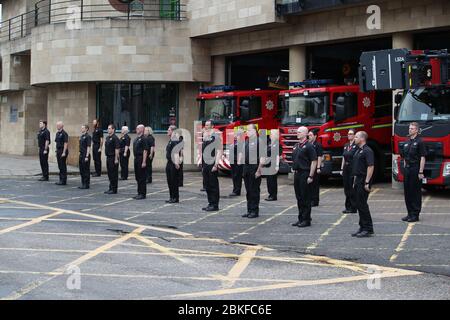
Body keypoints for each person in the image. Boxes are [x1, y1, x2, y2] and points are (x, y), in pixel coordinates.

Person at [291, 126, 317, 228]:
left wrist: (311, 175)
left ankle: (306, 220)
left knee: (306, 197)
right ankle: (301, 218)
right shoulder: (296, 145)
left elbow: (314, 161)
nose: (297, 133)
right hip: (297, 173)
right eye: (297, 132)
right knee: (299, 197)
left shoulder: (309, 146)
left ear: (305, 134)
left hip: (305, 173)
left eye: (299, 132)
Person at [401, 122, 426, 223]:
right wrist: (404, 166)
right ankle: (409, 213)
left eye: (412, 128)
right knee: (407, 191)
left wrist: (420, 171)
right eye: (409, 128)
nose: (409, 130)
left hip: (415, 168)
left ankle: (415, 214)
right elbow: (405, 156)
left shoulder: (420, 142)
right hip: (407, 169)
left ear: (416, 130)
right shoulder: (407, 142)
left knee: (415, 192)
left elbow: (422, 157)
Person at [351, 131, 375, 238]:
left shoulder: (367, 151)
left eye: (356, 137)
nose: (354, 138)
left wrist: (367, 182)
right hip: (358, 179)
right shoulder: (358, 150)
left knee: (362, 204)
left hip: (364, 179)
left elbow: (370, 166)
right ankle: (362, 227)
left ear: (362, 139)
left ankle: (368, 228)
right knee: (358, 204)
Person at [240, 124, 264, 219]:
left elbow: (263, 157)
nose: (247, 132)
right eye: (246, 130)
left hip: (254, 168)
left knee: (254, 190)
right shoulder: (247, 141)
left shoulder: (260, 141)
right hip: (246, 168)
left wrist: (259, 170)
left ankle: (254, 211)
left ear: (255, 131)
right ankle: (249, 210)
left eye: (249, 130)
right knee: (248, 191)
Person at [201, 120, 222, 211]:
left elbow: (219, 151)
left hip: (212, 164)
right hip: (205, 164)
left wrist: (216, 164)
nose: (206, 127)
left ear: (212, 126)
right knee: (207, 185)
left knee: (213, 185)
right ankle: (210, 203)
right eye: (205, 125)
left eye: (208, 125)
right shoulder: (205, 137)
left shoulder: (215, 137)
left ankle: (215, 205)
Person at [340, 129, 358, 214]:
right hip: (346, 167)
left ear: (355, 135)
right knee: (346, 187)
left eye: (351, 134)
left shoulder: (356, 145)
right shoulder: (346, 145)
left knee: (352, 188)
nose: (349, 135)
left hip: (352, 167)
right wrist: (341, 168)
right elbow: (344, 157)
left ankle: (353, 207)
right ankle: (347, 206)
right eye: (348, 134)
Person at [166, 125, 182, 203]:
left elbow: (177, 152)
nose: (167, 131)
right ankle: (171, 197)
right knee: (170, 181)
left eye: (169, 130)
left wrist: (177, 163)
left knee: (174, 181)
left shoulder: (175, 140)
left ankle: (175, 198)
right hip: (169, 162)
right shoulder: (171, 140)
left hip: (173, 162)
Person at [264, 129, 281, 201]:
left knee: (272, 181)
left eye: (271, 134)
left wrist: (277, 166)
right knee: (269, 180)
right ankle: (270, 194)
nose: (270, 135)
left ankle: (273, 195)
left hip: (273, 164)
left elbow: (278, 156)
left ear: (275, 135)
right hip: (268, 164)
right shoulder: (269, 143)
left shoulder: (277, 144)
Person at [133, 124, 148, 200]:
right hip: (136, 158)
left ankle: (142, 193)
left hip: (141, 158)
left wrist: (144, 161)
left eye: (138, 128)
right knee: (137, 177)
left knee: (142, 177)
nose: (136, 129)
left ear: (142, 129)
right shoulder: (136, 138)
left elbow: (145, 151)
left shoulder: (144, 138)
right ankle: (139, 192)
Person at [104, 124, 120, 194]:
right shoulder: (107, 138)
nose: (108, 130)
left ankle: (114, 189)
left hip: (113, 157)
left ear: (113, 129)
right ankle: (110, 187)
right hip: (108, 157)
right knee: (110, 174)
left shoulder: (115, 138)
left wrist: (116, 158)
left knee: (114, 174)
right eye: (108, 128)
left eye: (109, 128)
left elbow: (117, 149)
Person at [309, 128, 323, 207]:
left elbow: (319, 156)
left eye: (311, 135)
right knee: (310, 184)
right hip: (310, 166)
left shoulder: (318, 145)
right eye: (308, 135)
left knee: (315, 184)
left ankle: (315, 200)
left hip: (315, 167)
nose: (309, 137)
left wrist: (318, 167)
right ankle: (310, 199)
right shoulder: (309, 144)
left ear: (315, 136)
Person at [229, 128, 244, 197]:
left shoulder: (241, 142)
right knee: (234, 176)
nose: (235, 135)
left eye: (237, 134)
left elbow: (241, 152)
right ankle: (234, 189)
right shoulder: (234, 142)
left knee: (237, 176)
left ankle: (237, 191)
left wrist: (239, 161)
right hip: (233, 161)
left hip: (237, 162)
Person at [55, 121, 69, 186]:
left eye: (58, 125)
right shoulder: (57, 133)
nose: (57, 126)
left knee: (63, 166)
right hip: (58, 150)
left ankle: (63, 180)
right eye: (57, 125)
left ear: (61, 126)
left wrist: (64, 152)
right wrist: (56, 151)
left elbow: (66, 143)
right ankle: (60, 179)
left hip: (62, 151)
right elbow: (57, 143)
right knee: (59, 166)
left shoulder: (64, 133)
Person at [78, 124, 92, 189]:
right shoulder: (81, 136)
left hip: (85, 155)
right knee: (81, 170)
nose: (81, 129)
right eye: (81, 128)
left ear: (86, 129)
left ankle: (86, 184)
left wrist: (87, 156)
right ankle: (83, 183)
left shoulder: (88, 136)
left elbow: (88, 146)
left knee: (86, 170)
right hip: (81, 154)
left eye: (83, 128)